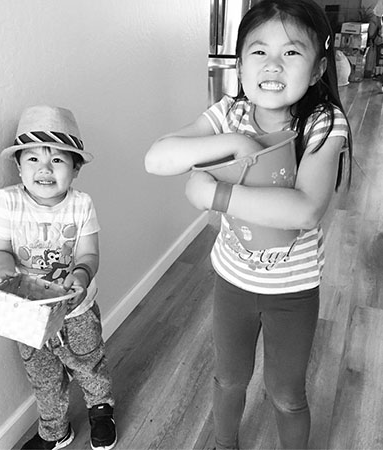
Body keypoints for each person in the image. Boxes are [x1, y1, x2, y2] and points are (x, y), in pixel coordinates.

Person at [145, 0, 352, 448]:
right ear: (239, 66)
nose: (273, 64)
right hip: (232, 282)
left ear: (318, 69)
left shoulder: (322, 122)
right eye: (259, 51)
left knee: (287, 396)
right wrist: (236, 143)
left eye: (291, 52)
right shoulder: (229, 114)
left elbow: (305, 210)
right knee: (228, 380)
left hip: (293, 292)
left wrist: (215, 195)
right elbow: (157, 158)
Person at [0, 105, 117, 450]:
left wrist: (81, 275)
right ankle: (54, 430)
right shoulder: (7, 201)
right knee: (43, 375)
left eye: (57, 159)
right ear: (18, 166)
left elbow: (89, 254)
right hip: (27, 312)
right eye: (33, 159)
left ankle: (100, 410)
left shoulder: (81, 204)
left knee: (89, 362)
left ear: (76, 168)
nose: (44, 169)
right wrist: (5, 273)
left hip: (75, 309)